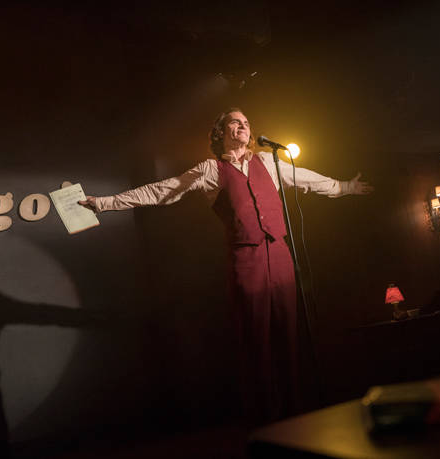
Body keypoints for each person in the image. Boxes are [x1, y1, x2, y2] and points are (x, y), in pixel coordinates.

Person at [79, 108, 372, 423]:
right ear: (221, 132)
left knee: (288, 339)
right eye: (236, 122)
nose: (243, 126)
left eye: (246, 122)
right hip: (246, 259)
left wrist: (344, 187)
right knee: (256, 343)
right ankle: (265, 421)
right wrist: (104, 203)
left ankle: (296, 417)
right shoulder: (211, 170)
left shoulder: (268, 162)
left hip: (280, 254)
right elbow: (161, 191)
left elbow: (306, 178)